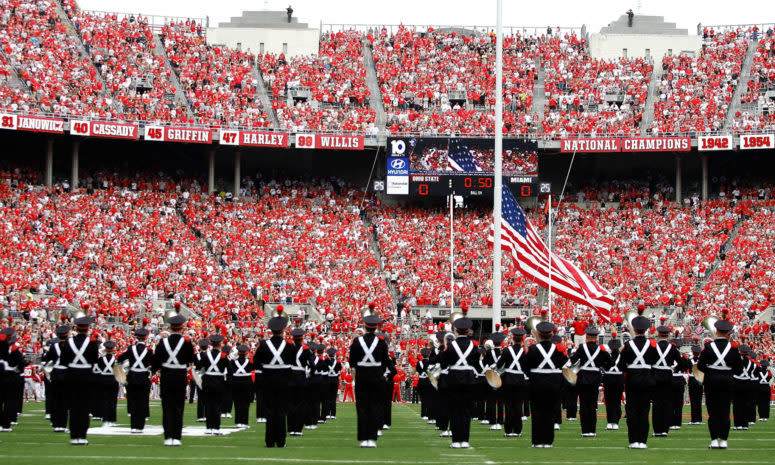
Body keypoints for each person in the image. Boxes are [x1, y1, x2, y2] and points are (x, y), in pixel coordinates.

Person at [522, 321, 569, 448]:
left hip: (536, 384)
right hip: (553, 384)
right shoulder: (559, 350)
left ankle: (537, 441)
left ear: (539, 334)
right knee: (549, 413)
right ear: (552, 334)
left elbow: (524, 367)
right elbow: (565, 365)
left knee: (537, 413)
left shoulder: (532, 349)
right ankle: (548, 441)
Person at [697, 319, 742, 449]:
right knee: (725, 411)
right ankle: (724, 440)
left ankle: (714, 440)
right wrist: (727, 372)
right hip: (727, 382)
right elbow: (739, 369)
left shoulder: (708, 346)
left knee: (713, 412)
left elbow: (700, 366)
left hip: (711, 382)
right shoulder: (733, 348)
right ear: (728, 333)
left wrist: (711, 372)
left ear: (716, 331)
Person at [253, 313, 295, 447]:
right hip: (284, 383)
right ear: (283, 330)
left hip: (268, 383)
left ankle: (270, 441)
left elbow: (256, 364)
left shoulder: (264, 346)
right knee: (282, 412)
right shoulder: (289, 346)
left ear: (271, 331)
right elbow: (293, 365)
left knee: (269, 412)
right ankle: (281, 441)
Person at [152, 314, 195, 446]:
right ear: (182, 328)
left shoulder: (162, 343)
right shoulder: (187, 343)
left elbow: (156, 363)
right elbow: (192, 360)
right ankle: (176, 437)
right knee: (178, 407)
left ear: (170, 328)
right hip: (180, 377)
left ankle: (168, 436)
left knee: (167, 407)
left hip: (166, 376)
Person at [349, 314, 389, 448]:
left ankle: (363, 438)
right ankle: (372, 438)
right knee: (375, 407)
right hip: (377, 377)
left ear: (365, 327)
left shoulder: (356, 341)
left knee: (362, 408)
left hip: (361, 377)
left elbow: (351, 362)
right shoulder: (382, 342)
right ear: (376, 327)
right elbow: (385, 362)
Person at [438, 315, 479, 449]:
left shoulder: (450, 346)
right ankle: (465, 440)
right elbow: (476, 362)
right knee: (466, 411)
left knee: (455, 410)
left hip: (454, 379)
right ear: (468, 331)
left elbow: (443, 363)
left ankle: (456, 440)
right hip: (469, 379)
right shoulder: (473, 346)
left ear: (456, 330)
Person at [618, 316, 658, 449]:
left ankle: (633, 440)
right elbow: (656, 362)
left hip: (632, 380)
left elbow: (621, 365)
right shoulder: (652, 345)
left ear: (634, 329)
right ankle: (643, 441)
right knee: (644, 411)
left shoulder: (628, 345)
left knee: (632, 411)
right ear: (646, 330)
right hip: (647, 380)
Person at [59, 316, 99, 445]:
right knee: (84, 408)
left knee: (73, 407)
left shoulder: (68, 343)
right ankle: (82, 436)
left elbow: (64, 362)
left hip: (71, 378)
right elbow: (94, 361)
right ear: (88, 329)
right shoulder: (92, 343)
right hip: (87, 378)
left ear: (76, 328)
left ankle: (74, 436)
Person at [570, 327, 612, 437]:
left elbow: (573, 360)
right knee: (593, 405)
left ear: (587, 336)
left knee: (584, 404)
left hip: (583, 377)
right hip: (595, 378)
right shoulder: (601, 349)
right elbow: (610, 363)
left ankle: (585, 430)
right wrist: (601, 365)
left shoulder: (581, 348)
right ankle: (592, 430)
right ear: (596, 337)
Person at [652, 326, 686, 437]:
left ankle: (657, 429)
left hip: (656, 378)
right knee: (667, 404)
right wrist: (673, 369)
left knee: (657, 405)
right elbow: (682, 363)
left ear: (658, 334)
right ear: (668, 335)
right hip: (668, 378)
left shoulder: (654, 347)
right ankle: (665, 430)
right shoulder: (672, 349)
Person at [117, 327, 153, 433]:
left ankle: (133, 426)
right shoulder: (149, 351)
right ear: (146, 337)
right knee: (142, 401)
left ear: (136, 337)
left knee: (133, 401)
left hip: (132, 377)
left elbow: (120, 359)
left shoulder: (130, 349)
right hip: (143, 378)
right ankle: (140, 426)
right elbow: (154, 363)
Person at [496, 327, 528, 438]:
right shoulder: (525, 352)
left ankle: (508, 430)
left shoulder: (506, 350)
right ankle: (518, 430)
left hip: (508, 380)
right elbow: (526, 368)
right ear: (522, 339)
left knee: (508, 406)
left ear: (513, 338)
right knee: (518, 406)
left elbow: (499, 365)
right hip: (520, 380)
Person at [197, 334, 229, 435]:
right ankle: (216, 427)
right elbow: (230, 371)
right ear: (220, 344)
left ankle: (209, 427)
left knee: (208, 405)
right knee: (217, 405)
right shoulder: (223, 356)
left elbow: (198, 368)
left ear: (211, 344)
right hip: (219, 383)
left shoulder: (205, 355)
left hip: (207, 382)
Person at [42, 326, 70, 432]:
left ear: (58, 335)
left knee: (55, 400)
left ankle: (55, 424)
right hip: (66, 375)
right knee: (64, 402)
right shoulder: (70, 345)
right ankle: (62, 425)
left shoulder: (53, 347)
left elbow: (46, 360)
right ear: (67, 334)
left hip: (55, 375)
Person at [0, 328, 26, 432]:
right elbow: (22, 363)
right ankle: (6, 424)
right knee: (9, 402)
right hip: (10, 376)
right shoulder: (13, 349)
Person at [287, 328, 311, 437]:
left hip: (291, 377)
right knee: (301, 405)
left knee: (290, 404)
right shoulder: (306, 350)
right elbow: (312, 365)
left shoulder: (288, 348)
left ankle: (291, 429)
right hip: (301, 378)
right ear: (301, 339)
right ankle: (298, 429)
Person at [482, 332, 505, 430]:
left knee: (491, 399)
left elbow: (484, 363)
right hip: (502, 376)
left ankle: (491, 419)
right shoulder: (504, 352)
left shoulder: (489, 353)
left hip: (491, 377)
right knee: (500, 400)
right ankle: (500, 420)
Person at [229, 344, 254, 428]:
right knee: (245, 403)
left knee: (237, 403)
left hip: (236, 382)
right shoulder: (250, 361)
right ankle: (244, 422)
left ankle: (238, 422)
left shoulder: (233, 362)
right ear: (246, 353)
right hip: (247, 382)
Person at [95, 340, 119, 427]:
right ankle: (112, 420)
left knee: (104, 400)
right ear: (113, 349)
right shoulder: (116, 359)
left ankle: (105, 420)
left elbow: (96, 370)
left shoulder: (100, 359)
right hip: (113, 380)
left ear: (105, 349)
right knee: (113, 401)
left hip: (103, 379)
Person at [602, 338, 624, 430]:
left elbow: (602, 366)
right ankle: (616, 421)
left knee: (610, 401)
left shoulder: (606, 356)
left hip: (608, 378)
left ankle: (610, 421)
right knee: (617, 400)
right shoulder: (622, 356)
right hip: (619, 378)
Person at [670, 339, 690, 430]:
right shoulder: (683, 356)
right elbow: (685, 366)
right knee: (678, 403)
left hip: (670, 378)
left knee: (670, 402)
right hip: (679, 379)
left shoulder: (667, 354)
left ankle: (670, 422)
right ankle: (677, 423)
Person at [193, 338, 209, 422]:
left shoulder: (196, 355)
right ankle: (207, 415)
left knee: (200, 397)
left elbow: (196, 367)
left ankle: (200, 416)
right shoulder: (209, 355)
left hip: (198, 376)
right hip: (207, 376)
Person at [687, 345, 704, 425]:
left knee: (693, 400)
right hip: (699, 379)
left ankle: (693, 419)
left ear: (693, 352)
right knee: (699, 400)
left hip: (692, 379)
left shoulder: (689, 360)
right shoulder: (702, 360)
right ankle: (699, 419)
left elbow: (685, 367)